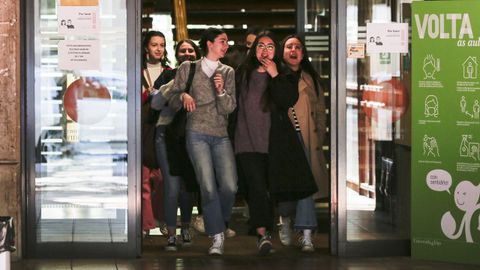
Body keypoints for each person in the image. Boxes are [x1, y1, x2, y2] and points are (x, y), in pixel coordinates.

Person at [169, 27, 237, 255]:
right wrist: (183, 95)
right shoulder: (188, 68)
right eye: (222, 41)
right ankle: (217, 237)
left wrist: (220, 91)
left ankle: (215, 222)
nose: (226, 45)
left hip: (220, 135)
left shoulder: (227, 71)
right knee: (207, 186)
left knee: (230, 186)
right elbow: (172, 98)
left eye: (227, 42)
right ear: (209, 44)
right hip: (196, 133)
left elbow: (229, 107)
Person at [271, 34, 328, 252]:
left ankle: (306, 233)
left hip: (307, 139)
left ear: (303, 53)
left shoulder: (310, 78)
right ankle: (285, 219)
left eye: (298, 47)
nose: (293, 50)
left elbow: (320, 110)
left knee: (306, 189)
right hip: (284, 140)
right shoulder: (275, 75)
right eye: (289, 47)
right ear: (281, 51)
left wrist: (319, 134)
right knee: (287, 188)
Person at [150, 39, 201, 251]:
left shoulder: (204, 76)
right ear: (177, 54)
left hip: (193, 135)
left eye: (191, 50)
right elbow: (155, 102)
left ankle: (186, 227)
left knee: (187, 186)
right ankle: (171, 234)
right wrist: (178, 85)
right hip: (167, 134)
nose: (187, 53)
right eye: (183, 51)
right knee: (171, 186)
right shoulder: (168, 75)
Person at [233, 31, 281, 255]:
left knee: (269, 190)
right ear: (254, 50)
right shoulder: (242, 72)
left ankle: (265, 229)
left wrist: (275, 75)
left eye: (270, 46)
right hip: (246, 142)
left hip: (273, 143)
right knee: (257, 188)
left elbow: (287, 99)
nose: (265, 50)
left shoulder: (280, 74)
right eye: (261, 46)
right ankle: (263, 234)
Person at [141, 30, 174, 238]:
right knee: (143, 180)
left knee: (163, 179)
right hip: (144, 127)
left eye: (162, 45)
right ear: (147, 47)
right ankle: (145, 225)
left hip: (164, 128)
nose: (158, 48)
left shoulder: (170, 72)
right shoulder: (138, 70)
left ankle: (163, 218)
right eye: (154, 44)